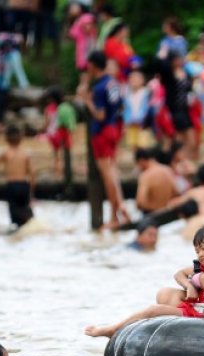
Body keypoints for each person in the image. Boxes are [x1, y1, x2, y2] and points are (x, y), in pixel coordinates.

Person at [85, 223, 204, 338]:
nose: (201, 254)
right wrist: (191, 285)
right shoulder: (202, 269)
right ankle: (112, 329)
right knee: (154, 310)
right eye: (197, 251)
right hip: (190, 313)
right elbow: (178, 274)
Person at [84, 50, 129, 228]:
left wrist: (87, 102)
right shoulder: (114, 83)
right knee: (112, 170)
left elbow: (100, 115)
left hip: (102, 130)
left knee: (106, 173)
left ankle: (114, 214)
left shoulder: (100, 87)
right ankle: (120, 208)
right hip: (114, 128)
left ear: (93, 65)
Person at [158, 51, 196, 160]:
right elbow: (161, 68)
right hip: (174, 109)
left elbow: (190, 89)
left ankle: (186, 158)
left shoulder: (186, 73)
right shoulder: (169, 74)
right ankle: (178, 159)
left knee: (191, 138)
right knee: (178, 137)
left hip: (187, 109)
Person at [134, 148, 179, 214]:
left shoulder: (145, 176)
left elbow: (140, 203)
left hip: (153, 215)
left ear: (141, 161)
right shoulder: (168, 170)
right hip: (168, 213)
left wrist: (157, 208)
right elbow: (177, 193)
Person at [42, 86, 72, 176]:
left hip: (52, 134)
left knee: (56, 153)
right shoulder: (65, 108)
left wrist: (43, 130)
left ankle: (57, 168)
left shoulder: (48, 108)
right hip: (62, 132)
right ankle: (64, 169)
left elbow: (47, 123)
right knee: (65, 152)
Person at [122, 69, 151, 149]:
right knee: (133, 146)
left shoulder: (146, 93)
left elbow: (147, 109)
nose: (134, 81)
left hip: (142, 123)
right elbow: (125, 109)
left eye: (136, 79)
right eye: (132, 79)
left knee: (143, 146)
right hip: (130, 123)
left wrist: (141, 119)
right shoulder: (126, 94)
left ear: (142, 80)